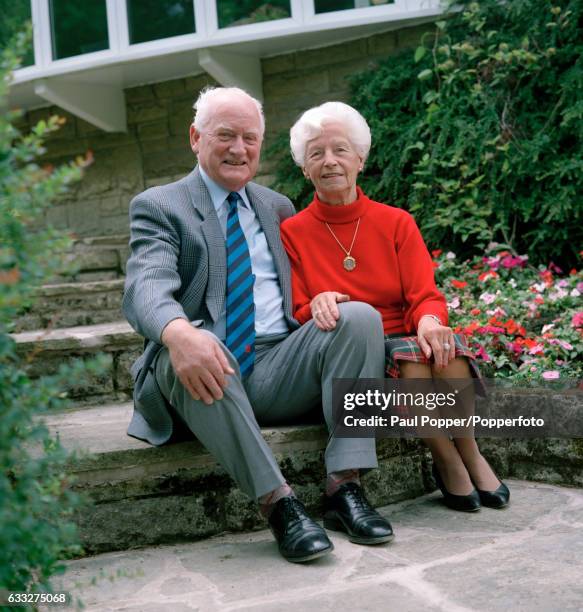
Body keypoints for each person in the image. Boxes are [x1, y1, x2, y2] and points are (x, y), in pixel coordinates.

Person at [122, 87, 394, 564]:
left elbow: (310, 282)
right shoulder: (161, 205)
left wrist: (325, 297)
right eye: (225, 135)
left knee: (358, 316)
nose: (239, 149)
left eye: (250, 138)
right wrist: (178, 332)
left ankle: (344, 487)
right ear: (195, 137)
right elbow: (145, 285)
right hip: (199, 369)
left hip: (276, 365)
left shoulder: (277, 207)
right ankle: (281, 504)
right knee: (199, 342)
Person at [280, 101, 510, 513]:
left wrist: (428, 322)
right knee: (409, 361)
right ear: (305, 168)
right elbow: (298, 307)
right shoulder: (292, 233)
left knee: (443, 346)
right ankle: (446, 457)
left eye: (340, 150)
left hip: (406, 331)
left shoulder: (396, 221)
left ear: (360, 159)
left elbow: (425, 294)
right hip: (356, 348)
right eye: (316, 154)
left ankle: (469, 450)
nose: (330, 162)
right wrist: (318, 302)